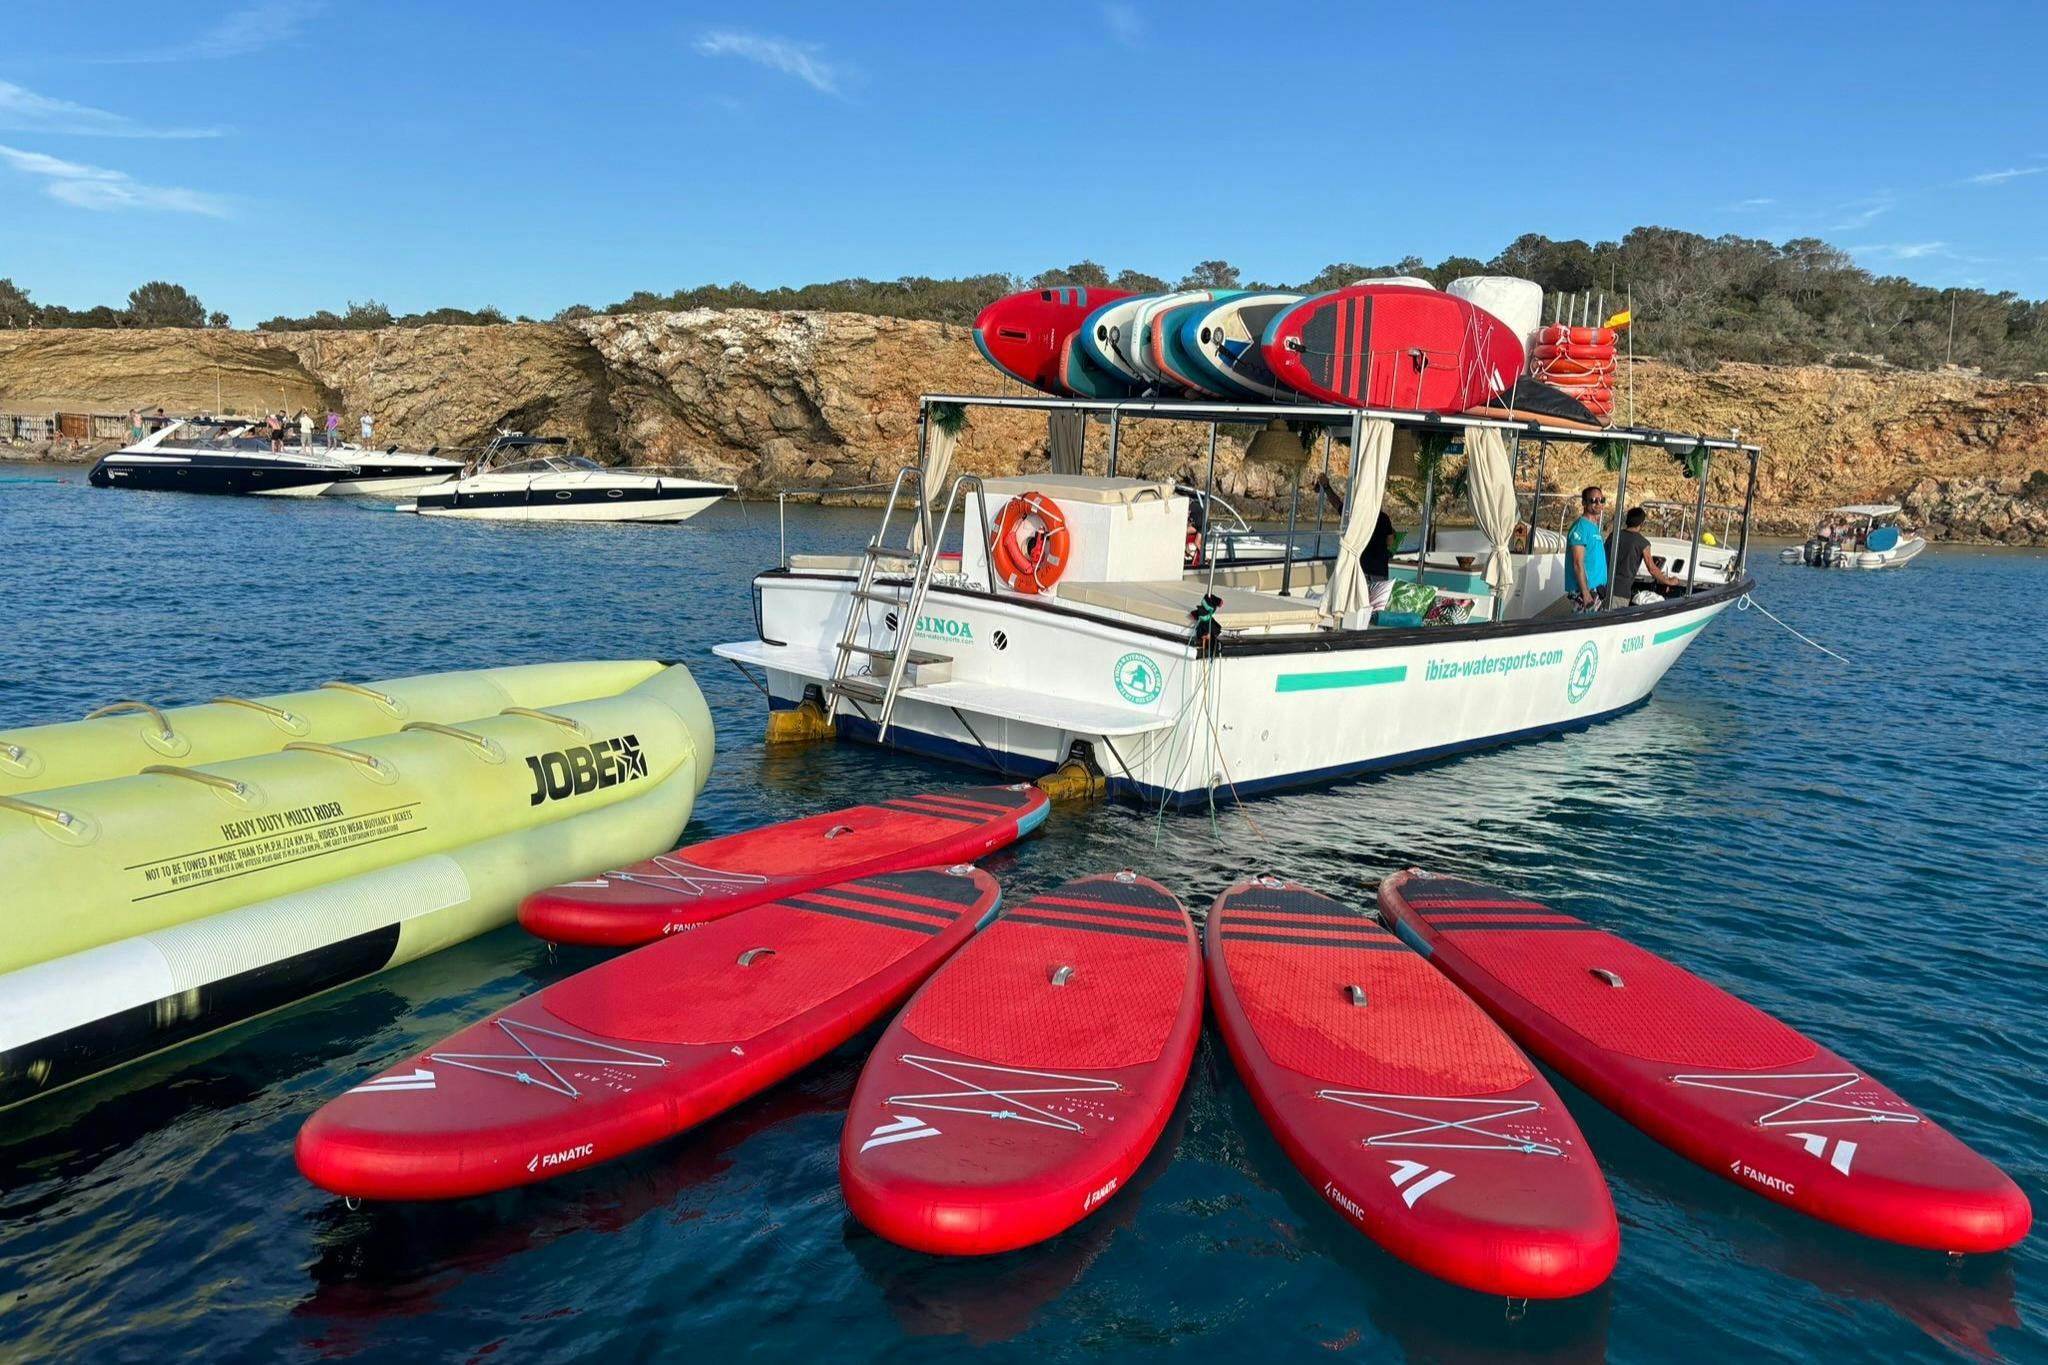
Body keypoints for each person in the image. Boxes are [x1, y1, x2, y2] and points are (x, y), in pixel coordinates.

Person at [1313, 471, 1400, 609]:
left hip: (1360, 566)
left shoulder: (1356, 514)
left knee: (1358, 605)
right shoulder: (1383, 518)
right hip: (1379, 568)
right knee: (1375, 606)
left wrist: (1327, 487)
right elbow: (1390, 541)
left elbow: (1336, 503)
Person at [1616, 506, 1681, 595]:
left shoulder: (1614, 536)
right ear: (1642, 524)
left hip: (1603, 586)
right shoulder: (1643, 543)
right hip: (1621, 591)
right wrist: (1668, 580)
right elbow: (1652, 568)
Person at [1566, 486, 1608, 611]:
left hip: (1597, 589)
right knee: (1585, 628)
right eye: (1594, 500)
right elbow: (1577, 563)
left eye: (1601, 500)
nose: (1598, 503)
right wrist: (1585, 593)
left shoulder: (1594, 527)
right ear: (1584, 503)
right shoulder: (1580, 527)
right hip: (1586, 592)